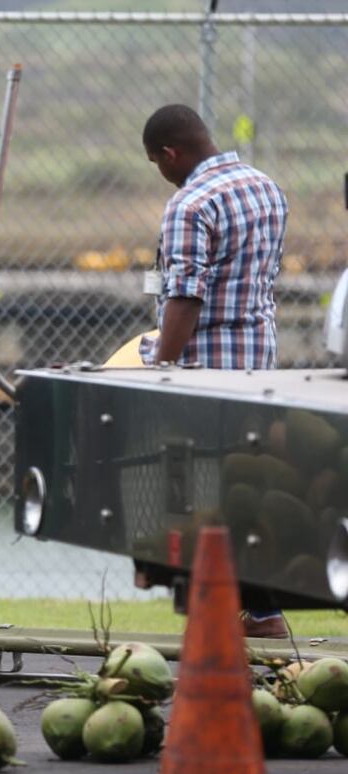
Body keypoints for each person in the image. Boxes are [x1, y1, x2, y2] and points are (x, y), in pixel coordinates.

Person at [139, 103, 289, 638]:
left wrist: (163, 366)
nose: (162, 171)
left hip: (205, 371)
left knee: (198, 497)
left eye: (158, 162)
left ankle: (224, 615)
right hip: (257, 361)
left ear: (169, 153)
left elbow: (184, 297)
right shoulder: (266, 187)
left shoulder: (190, 202)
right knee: (247, 486)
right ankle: (261, 611)